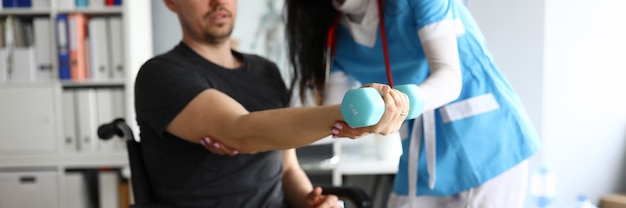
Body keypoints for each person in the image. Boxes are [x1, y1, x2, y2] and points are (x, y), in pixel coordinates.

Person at [133, 0, 410, 207]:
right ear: (171, 2)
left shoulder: (266, 71)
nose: (218, 3)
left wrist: (307, 199)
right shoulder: (160, 74)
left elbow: (287, 166)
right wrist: (345, 113)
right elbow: (241, 131)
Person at [282, 0, 542, 207]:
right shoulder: (334, 34)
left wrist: (396, 104)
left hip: (486, 145)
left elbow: (449, 77)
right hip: (419, 157)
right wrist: (270, 138)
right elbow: (334, 116)